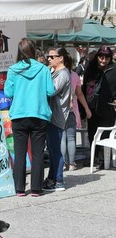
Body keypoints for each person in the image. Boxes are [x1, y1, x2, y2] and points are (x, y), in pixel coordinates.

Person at [4, 38, 54, 197]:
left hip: (19, 114)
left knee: (19, 152)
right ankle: (36, 189)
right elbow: (51, 91)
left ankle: (19, 189)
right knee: (38, 153)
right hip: (39, 114)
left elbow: (8, 93)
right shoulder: (43, 69)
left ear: (19, 51)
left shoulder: (13, 70)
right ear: (33, 50)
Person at [44, 47, 72, 192]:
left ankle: (59, 180)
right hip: (52, 116)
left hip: (57, 116)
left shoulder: (63, 74)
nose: (49, 58)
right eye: (48, 56)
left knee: (55, 150)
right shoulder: (55, 72)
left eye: (52, 56)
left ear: (61, 58)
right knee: (52, 149)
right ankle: (51, 179)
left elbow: (52, 90)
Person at [82, 46, 116, 168]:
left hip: (107, 107)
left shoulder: (114, 70)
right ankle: (94, 157)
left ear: (110, 58)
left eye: (106, 57)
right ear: (97, 57)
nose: (103, 60)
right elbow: (84, 87)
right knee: (92, 133)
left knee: (104, 134)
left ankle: (103, 160)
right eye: (101, 57)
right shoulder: (90, 69)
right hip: (91, 106)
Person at [63, 53, 89, 172]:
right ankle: (72, 164)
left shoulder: (53, 74)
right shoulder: (74, 75)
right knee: (71, 138)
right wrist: (87, 108)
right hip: (72, 109)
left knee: (62, 138)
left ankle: (64, 163)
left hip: (58, 110)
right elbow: (80, 94)